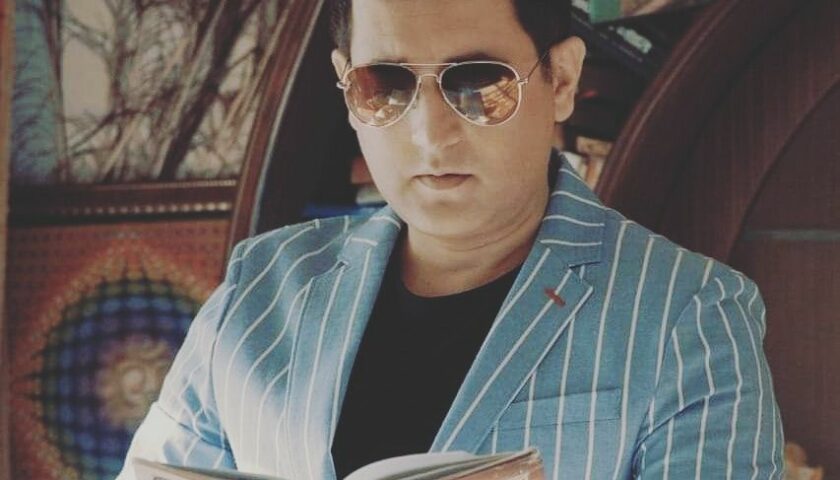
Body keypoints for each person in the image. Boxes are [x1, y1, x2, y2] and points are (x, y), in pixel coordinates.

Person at [118, 0, 785, 478]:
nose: (430, 133)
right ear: (348, 89)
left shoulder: (689, 313)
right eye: (384, 86)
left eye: (478, 83)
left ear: (561, 79)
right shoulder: (260, 289)